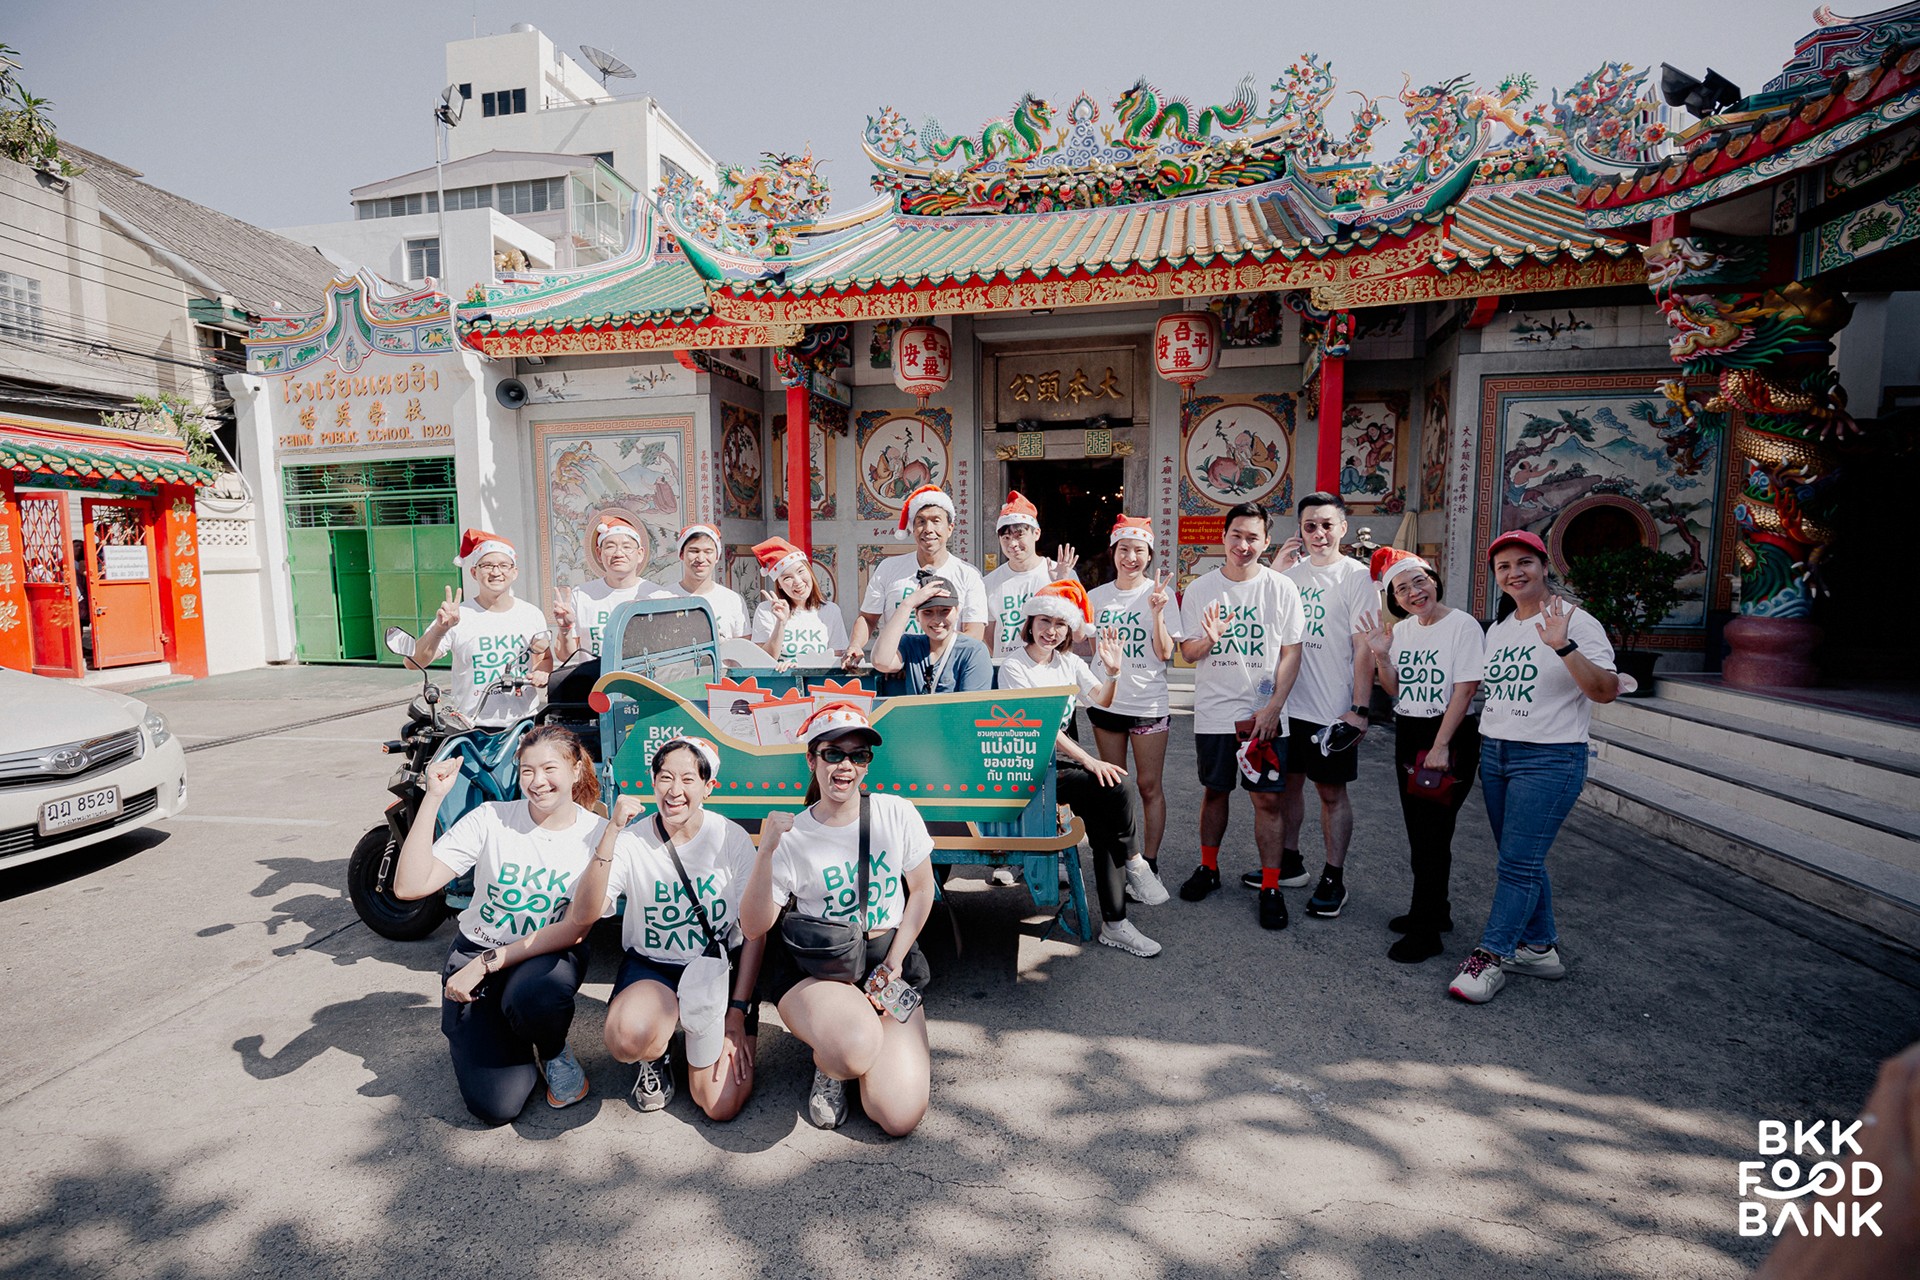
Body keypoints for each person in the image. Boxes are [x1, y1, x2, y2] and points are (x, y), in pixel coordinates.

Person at [495, 736, 764, 1120]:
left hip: (716, 971)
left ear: (709, 787)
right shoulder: (632, 840)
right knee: (626, 1038)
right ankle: (657, 1054)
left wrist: (737, 1012)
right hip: (655, 968)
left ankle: (704, 1038)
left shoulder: (730, 838)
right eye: (665, 777)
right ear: (652, 781)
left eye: (688, 779)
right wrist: (611, 834)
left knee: (720, 1106)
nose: (674, 790)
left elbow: (754, 931)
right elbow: (585, 913)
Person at [393, 725, 608, 1125]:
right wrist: (433, 798)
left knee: (536, 996)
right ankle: (504, 1036)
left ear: (576, 769)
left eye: (550, 768)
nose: (538, 781)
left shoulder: (597, 835)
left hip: (543, 953)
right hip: (477, 945)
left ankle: (553, 1049)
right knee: (496, 1107)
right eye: (527, 771)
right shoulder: (492, 818)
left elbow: (577, 927)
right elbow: (409, 886)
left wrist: (485, 963)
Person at [740, 704, 936, 1135]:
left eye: (858, 755)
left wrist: (895, 962)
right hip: (819, 969)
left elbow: (922, 890)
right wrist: (766, 851)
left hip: (885, 961)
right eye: (833, 753)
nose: (845, 765)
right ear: (812, 760)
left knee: (898, 1116)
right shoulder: (793, 835)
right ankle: (832, 1064)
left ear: (867, 764)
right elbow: (754, 927)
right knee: (852, 1047)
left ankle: (858, 1049)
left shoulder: (896, 813)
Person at [1449, 529, 1618, 1004]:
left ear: (1544, 566)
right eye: (1503, 566)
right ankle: (1540, 949)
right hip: (1497, 753)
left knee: (1517, 863)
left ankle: (1490, 956)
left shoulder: (1577, 621)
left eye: (1524, 562)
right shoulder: (1500, 629)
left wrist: (1564, 646)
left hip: (1549, 757)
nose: (1514, 573)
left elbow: (1605, 691)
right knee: (1519, 858)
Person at [998, 579, 1157, 957]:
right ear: (1030, 622)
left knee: (1106, 816)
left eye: (1060, 624)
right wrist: (1089, 760)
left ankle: (1116, 923)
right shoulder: (1014, 665)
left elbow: (1101, 699)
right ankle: (1134, 862)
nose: (1051, 631)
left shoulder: (1068, 662)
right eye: (1044, 621)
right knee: (1116, 786)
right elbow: (1041, 727)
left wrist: (1113, 673)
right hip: (1027, 769)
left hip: (1061, 765)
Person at [1176, 503, 1306, 930]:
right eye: (1236, 535)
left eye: (1253, 537)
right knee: (1215, 791)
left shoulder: (1281, 588)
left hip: (1264, 713)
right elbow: (1188, 652)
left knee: (1267, 799)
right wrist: (1209, 639)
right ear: (1224, 536)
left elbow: (1292, 652)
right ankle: (1208, 868)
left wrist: (1273, 708)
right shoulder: (1201, 588)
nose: (1243, 545)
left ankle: (1270, 886)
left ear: (1266, 541)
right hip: (1215, 711)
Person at [1359, 548, 1484, 965]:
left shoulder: (1462, 625)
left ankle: (1426, 932)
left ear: (1434, 581)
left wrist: (1441, 745)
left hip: (1447, 734)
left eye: (1419, 581)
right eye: (1402, 588)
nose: (1414, 592)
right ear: (1395, 598)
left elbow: (1465, 690)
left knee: (1432, 833)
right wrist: (1381, 655)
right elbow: (1394, 689)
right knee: (1420, 830)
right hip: (1410, 732)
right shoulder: (1404, 631)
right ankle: (1433, 911)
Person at [1254, 492, 1376, 919]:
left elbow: (1364, 647)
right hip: (1288, 706)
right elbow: (1264, 625)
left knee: (1330, 793)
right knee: (1287, 786)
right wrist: (1275, 571)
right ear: (1300, 531)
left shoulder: (1358, 577)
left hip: (1331, 708)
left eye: (1327, 525)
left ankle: (1333, 876)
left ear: (1343, 527)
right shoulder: (1290, 575)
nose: (1319, 533)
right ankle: (1289, 862)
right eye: (1310, 526)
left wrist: (1360, 709)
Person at [1085, 514, 1179, 906]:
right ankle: (1123, 861)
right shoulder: (1096, 597)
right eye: (1124, 549)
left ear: (1149, 555)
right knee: (1115, 788)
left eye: (1139, 550)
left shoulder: (1161, 595)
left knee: (1148, 786)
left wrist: (1157, 612)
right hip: (1108, 703)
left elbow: (1166, 652)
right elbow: (1091, 649)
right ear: (1113, 553)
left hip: (1148, 703)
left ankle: (1150, 863)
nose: (1131, 557)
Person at [413, 528, 549, 726]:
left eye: (504, 565)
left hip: (524, 724)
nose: (496, 572)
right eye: (487, 565)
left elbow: (544, 658)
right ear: (474, 572)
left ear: (514, 572)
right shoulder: (457, 616)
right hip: (470, 725)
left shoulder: (531, 614)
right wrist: (439, 630)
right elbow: (414, 662)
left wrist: (541, 674)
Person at [846, 484, 988, 668]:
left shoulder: (968, 574)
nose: (928, 529)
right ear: (912, 528)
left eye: (936, 521)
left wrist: (923, 659)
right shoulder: (888, 568)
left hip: (946, 670)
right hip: (894, 668)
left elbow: (974, 633)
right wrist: (855, 645)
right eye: (921, 522)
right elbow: (868, 618)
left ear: (950, 528)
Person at [552, 511, 674, 661]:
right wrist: (565, 629)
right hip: (595, 676)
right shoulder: (582, 595)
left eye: (626, 547)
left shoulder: (659, 596)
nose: (618, 553)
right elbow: (564, 656)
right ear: (599, 553)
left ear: (640, 554)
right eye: (610, 546)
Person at [982, 490, 1078, 660]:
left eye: (1019, 535)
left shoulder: (1060, 574)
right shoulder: (989, 582)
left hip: (1050, 666)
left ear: (1036, 533)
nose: (1013, 544)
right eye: (1006, 537)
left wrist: (1063, 584)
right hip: (1006, 666)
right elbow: (988, 634)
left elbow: (1078, 633)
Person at [868, 575, 993, 697]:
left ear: (957, 611)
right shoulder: (910, 644)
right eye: (928, 612)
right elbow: (881, 662)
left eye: (945, 611)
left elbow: (971, 705)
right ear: (917, 615)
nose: (937, 620)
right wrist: (907, 604)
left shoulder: (973, 651)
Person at [750, 536, 849, 662]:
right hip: (780, 675)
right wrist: (781, 623)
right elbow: (762, 661)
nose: (798, 582)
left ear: (810, 571)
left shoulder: (831, 610)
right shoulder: (766, 610)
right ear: (779, 584)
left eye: (801, 571)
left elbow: (836, 658)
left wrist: (800, 667)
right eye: (787, 578)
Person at [669, 522, 749, 641]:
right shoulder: (662, 598)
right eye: (694, 551)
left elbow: (744, 647)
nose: (701, 559)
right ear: (681, 554)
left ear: (717, 557)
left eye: (708, 551)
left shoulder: (733, 600)